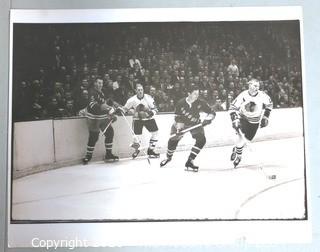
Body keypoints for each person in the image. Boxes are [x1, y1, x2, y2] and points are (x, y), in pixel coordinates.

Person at [160, 84, 216, 172]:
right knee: (173, 140)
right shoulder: (180, 103)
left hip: (195, 124)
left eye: (198, 94)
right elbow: (177, 117)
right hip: (181, 123)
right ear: (188, 93)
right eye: (194, 94)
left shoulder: (201, 102)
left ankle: (190, 161)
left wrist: (207, 119)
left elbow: (212, 112)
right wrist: (179, 129)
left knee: (201, 140)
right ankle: (168, 157)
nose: (197, 96)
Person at [229, 79, 273, 168]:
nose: (257, 88)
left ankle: (236, 149)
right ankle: (239, 157)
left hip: (255, 122)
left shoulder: (262, 96)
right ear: (249, 85)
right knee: (241, 139)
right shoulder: (243, 95)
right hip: (243, 119)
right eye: (255, 85)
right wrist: (235, 119)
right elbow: (232, 107)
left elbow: (269, 104)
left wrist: (265, 116)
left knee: (246, 141)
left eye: (258, 86)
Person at [81, 77, 119, 164]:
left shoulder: (102, 92)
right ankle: (88, 156)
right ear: (95, 83)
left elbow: (105, 102)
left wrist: (113, 108)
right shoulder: (92, 92)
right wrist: (108, 110)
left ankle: (108, 154)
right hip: (94, 118)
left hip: (102, 117)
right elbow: (93, 106)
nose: (100, 85)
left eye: (101, 83)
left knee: (110, 133)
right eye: (98, 83)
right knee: (94, 137)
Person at [123, 83, 160, 159]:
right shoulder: (131, 100)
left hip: (148, 118)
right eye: (138, 90)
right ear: (135, 90)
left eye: (141, 90)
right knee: (136, 137)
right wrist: (123, 110)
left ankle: (151, 150)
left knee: (155, 133)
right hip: (137, 120)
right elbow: (125, 109)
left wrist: (149, 113)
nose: (140, 91)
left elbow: (155, 109)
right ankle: (137, 150)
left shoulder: (148, 98)